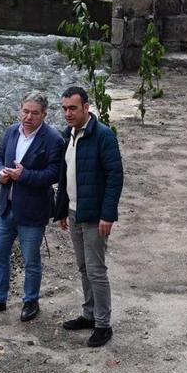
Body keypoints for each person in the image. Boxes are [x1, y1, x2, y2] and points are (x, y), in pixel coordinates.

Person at [0, 92, 65, 322]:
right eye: (25, 111)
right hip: (7, 205)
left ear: (44, 114)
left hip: (33, 210)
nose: (28, 117)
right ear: (20, 110)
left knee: (31, 259)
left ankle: (30, 300)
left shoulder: (53, 139)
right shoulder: (12, 131)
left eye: (34, 113)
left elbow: (54, 174)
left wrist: (25, 175)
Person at [53, 86, 123, 348]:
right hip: (73, 212)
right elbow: (64, 175)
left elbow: (115, 177)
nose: (68, 113)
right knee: (83, 267)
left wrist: (108, 215)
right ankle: (89, 313)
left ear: (86, 107)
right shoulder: (68, 135)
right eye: (64, 108)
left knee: (96, 270)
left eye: (72, 108)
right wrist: (61, 211)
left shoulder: (103, 136)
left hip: (95, 215)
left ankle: (103, 324)